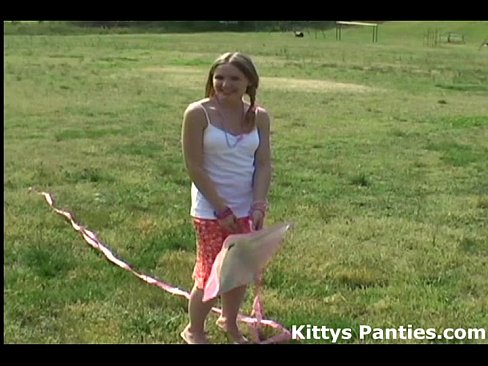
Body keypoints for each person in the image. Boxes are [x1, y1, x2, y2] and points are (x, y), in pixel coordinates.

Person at [180, 52, 272, 344]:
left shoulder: (259, 117)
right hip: (211, 209)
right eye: (219, 77)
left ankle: (229, 323)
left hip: (246, 209)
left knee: (239, 272)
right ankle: (194, 330)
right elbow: (194, 166)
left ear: (249, 82)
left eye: (235, 78)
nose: (225, 84)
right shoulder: (198, 113)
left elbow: (263, 165)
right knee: (210, 274)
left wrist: (258, 204)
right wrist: (221, 209)